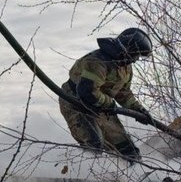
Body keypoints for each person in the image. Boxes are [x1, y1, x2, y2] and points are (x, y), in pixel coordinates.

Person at [59, 28, 154, 162]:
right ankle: (78, 177)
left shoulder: (125, 67)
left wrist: (139, 110)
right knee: (94, 144)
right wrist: (109, 104)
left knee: (127, 150)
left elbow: (123, 93)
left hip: (102, 106)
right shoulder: (97, 62)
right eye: (135, 54)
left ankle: (132, 176)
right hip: (75, 102)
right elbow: (88, 92)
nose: (135, 59)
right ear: (126, 48)